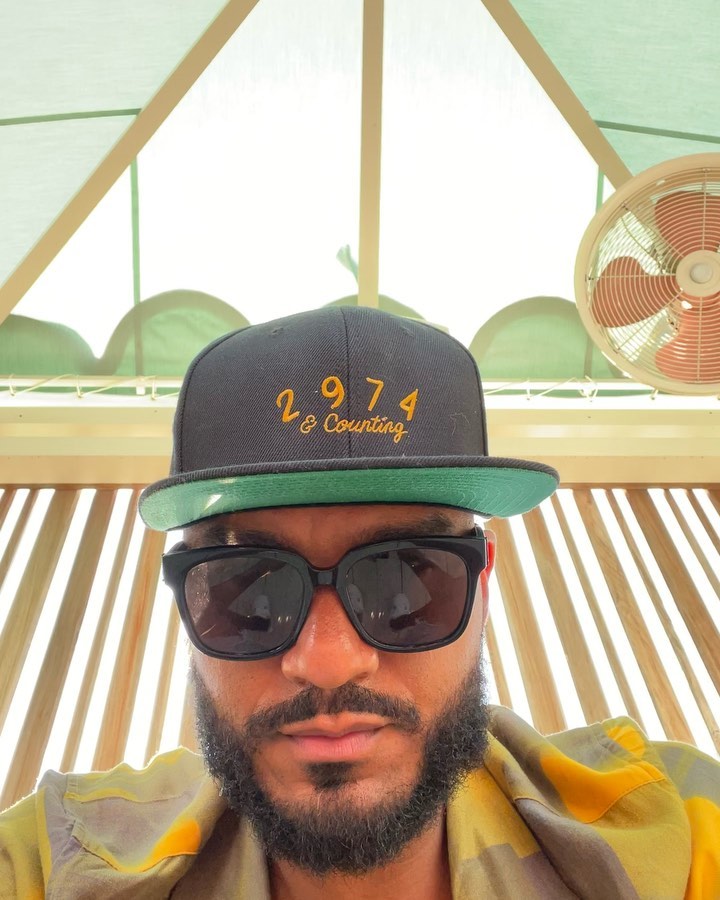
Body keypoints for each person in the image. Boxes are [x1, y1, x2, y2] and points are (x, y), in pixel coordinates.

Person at [1, 306, 719, 899]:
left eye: (404, 581)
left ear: (481, 586)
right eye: (249, 589)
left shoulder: (676, 829)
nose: (329, 662)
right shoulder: (56, 860)